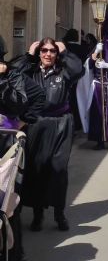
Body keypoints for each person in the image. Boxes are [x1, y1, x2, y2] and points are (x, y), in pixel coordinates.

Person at [10, 38, 83, 232]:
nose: (48, 54)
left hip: (61, 124)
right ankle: (38, 214)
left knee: (59, 170)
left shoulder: (64, 72)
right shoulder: (31, 73)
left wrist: (65, 51)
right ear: (39, 52)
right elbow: (13, 71)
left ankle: (59, 214)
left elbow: (78, 69)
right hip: (37, 124)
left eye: (52, 51)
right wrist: (29, 54)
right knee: (37, 169)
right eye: (44, 50)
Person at [0, 36, 45, 261]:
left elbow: (34, 98)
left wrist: (21, 123)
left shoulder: (11, 75)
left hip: (5, 147)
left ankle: (13, 252)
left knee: (7, 203)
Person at [76, 36, 108, 150]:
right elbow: (88, 65)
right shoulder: (100, 53)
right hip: (98, 87)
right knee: (98, 114)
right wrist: (96, 51)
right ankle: (99, 140)